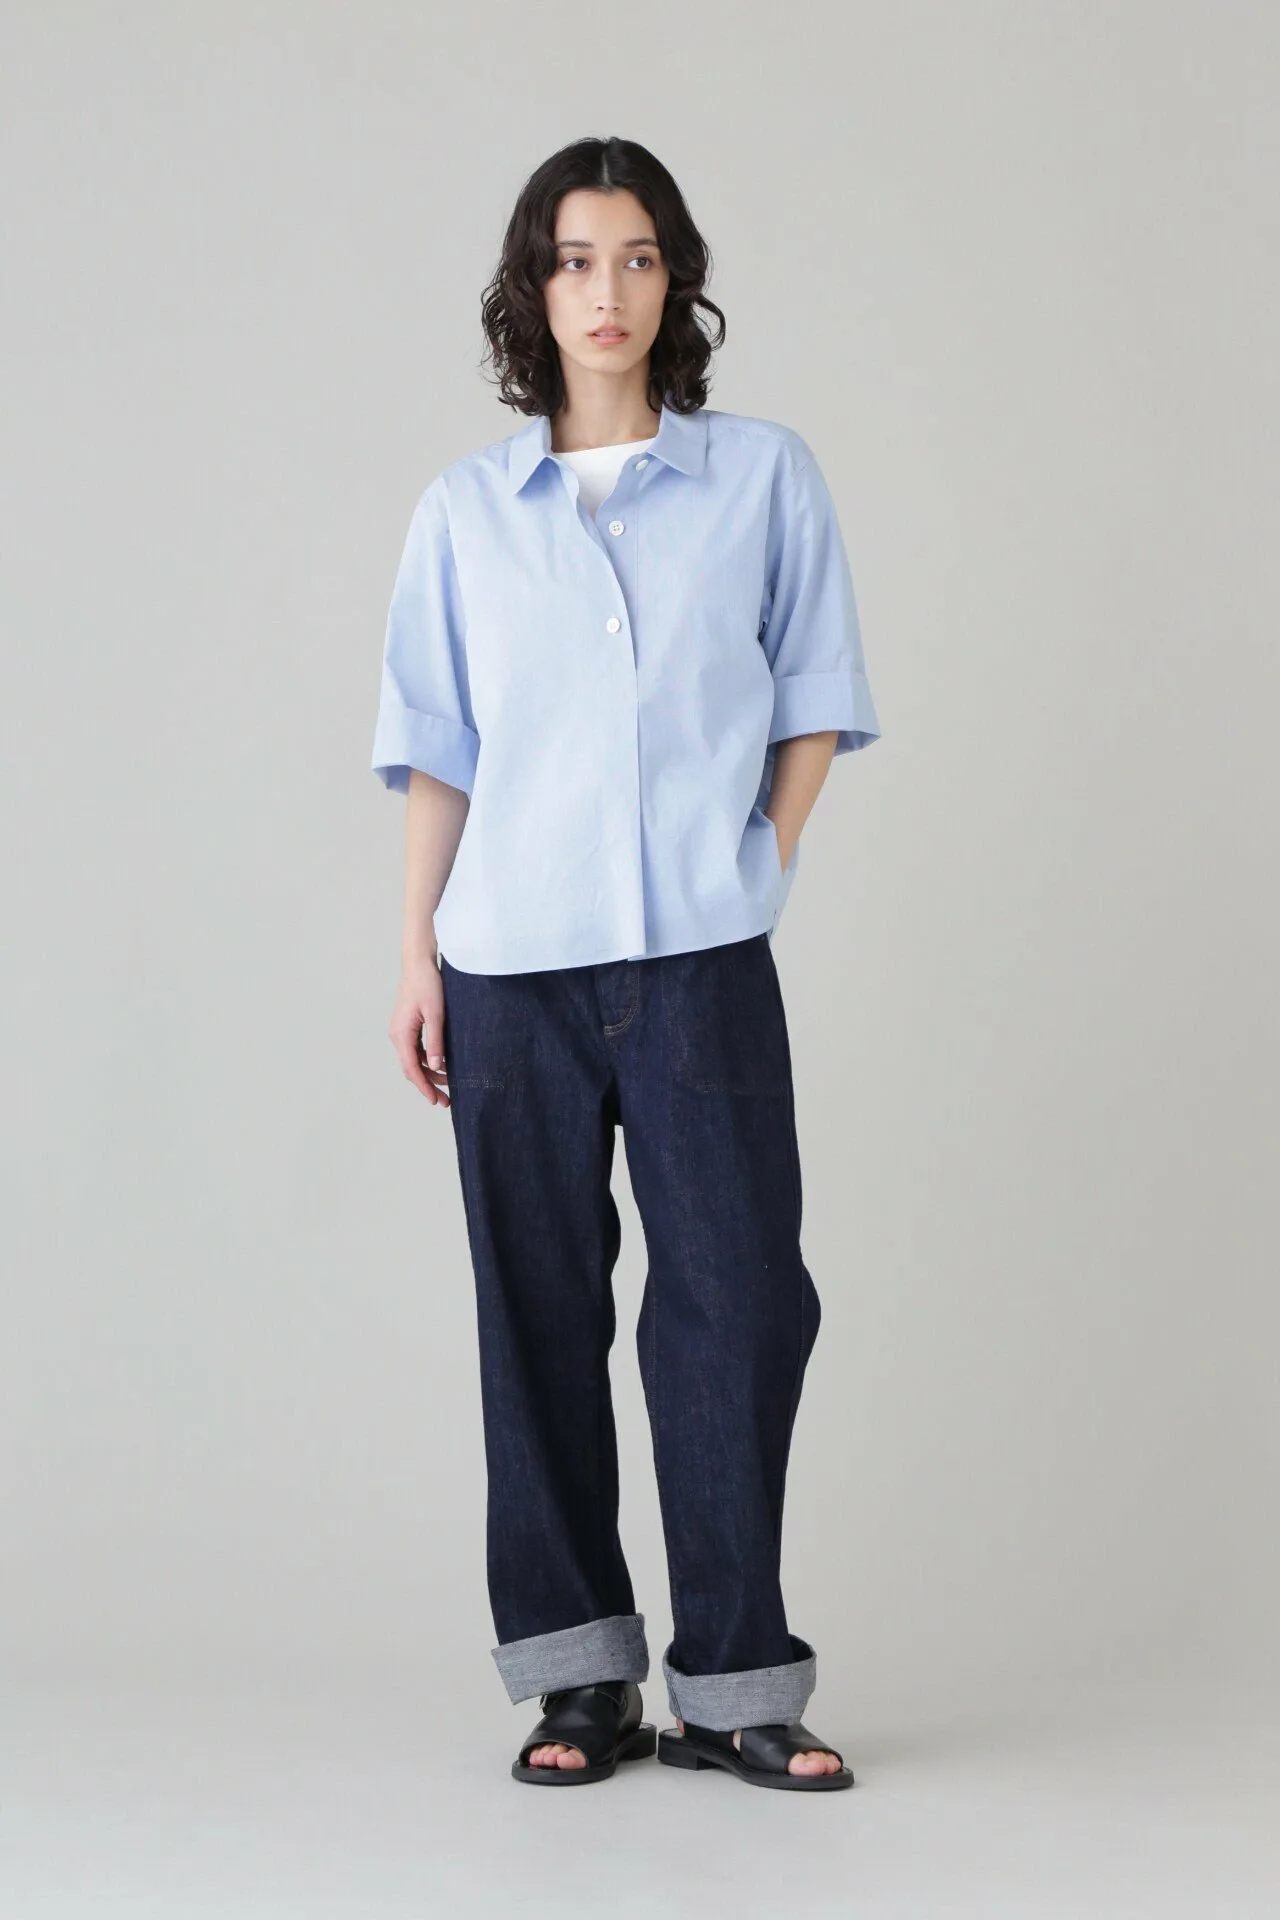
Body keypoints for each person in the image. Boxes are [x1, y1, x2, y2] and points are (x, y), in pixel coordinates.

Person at [370, 136, 882, 1791]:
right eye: (577, 259)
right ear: (535, 288)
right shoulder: (466, 515)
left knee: (740, 1301)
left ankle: (734, 1683)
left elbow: (815, 697)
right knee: (534, 1311)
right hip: (508, 967)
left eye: (640, 257)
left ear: (678, 281)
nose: (609, 290)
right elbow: (438, 751)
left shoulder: (762, 479)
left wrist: (757, 866)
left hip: (698, 964)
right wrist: (417, 954)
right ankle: (578, 1682)